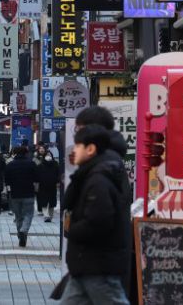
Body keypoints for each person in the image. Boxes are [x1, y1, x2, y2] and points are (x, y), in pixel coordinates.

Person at [60, 125, 130, 304]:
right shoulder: (88, 174)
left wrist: (73, 230)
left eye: (78, 146)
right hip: (85, 265)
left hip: (99, 266)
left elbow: (99, 221)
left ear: (90, 149)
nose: (74, 150)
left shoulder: (98, 181)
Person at [74, 105, 132, 293]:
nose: (76, 136)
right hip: (91, 261)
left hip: (100, 262)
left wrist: (74, 229)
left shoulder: (104, 165)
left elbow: (100, 217)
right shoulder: (104, 160)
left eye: (79, 129)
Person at [3, 145, 38, 247]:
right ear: (26, 153)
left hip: (15, 194)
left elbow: (7, 180)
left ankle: (20, 234)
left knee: (18, 216)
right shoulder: (31, 164)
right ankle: (23, 230)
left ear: (15, 153)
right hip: (28, 193)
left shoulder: (10, 165)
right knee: (28, 214)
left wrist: (9, 190)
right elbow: (37, 178)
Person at [36, 148, 60, 222]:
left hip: (53, 185)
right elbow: (37, 176)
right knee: (44, 201)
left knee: (52, 202)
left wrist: (58, 182)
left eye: (49, 155)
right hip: (43, 186)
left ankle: (50, 216)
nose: (48, 156)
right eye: (47, 155)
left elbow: (58, 174)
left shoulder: (55, 164)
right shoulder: (40, 165)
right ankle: (46, 216)